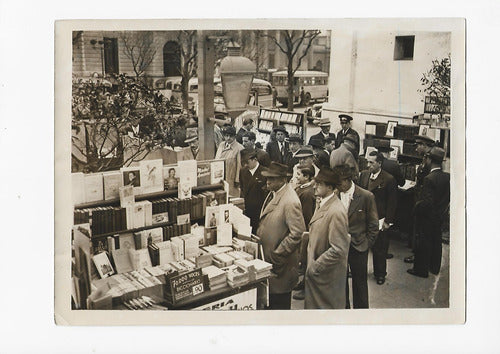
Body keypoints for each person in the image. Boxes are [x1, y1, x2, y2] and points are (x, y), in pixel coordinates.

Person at [257, 162, 306, 309]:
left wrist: (278, 254)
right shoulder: (274, 193)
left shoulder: (290, 201)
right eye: (267, 178)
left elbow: (297, 233)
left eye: (272, 178)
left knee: (279, 305)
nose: (268, 181)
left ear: (283, 180)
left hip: (280, 266)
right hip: (271, 262)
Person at [304, 167, 350, 309]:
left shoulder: (336, 211)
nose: (315, 186)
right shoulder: (323, 203)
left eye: (319, 184)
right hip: (319, 276)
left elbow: (338, 249)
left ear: (330, 187)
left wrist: (315, 268)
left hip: (325, 276)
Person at [334, 164, 378, 309]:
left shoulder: (366, 196)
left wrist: (366, 244)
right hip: (339, 246)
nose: (337, 186)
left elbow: (373, 224)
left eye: (339, 183)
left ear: (348, 180)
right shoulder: (335, 195)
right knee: (340, 282)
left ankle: (361, 315)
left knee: (360, 283)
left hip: (359, 246)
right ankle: (344, 310)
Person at [407, 147, 450, 278]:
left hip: (426, 217)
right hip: (439, 216)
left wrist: (416, 209)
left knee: (423, 242)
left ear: (430, 160)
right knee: (436, 240)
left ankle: (420, 270)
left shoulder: (429, 178)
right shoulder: (447, 177)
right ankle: (434, 267)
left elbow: (426, 202)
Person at [359, 152, 398, 285]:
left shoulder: (389, 179)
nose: (368, 165)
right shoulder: (363, 175)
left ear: (379, 163)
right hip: (364, 216)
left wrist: (388, 221)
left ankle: (380, 273)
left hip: (380, 218)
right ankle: (360, 270)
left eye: (371, 162)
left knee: (380, 248)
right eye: (367, 162)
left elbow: (392, 203)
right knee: (361, 245)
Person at [404, 134, 436, 264]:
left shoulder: (430, 160)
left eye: (418, 146)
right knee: (417, 227)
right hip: (419, 196)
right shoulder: (425, 158)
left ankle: (418, 257)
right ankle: (417, 253)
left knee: (420, 229)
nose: (416, 148)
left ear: (424, 146)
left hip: (422, 199)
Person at [292, 165, 316, 301]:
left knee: (306, 260)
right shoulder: (302, 189)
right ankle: (303, 284)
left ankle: (307, 288)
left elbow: (306, 215)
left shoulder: (307, 193)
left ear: (307, 177)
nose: (296, 177)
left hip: (305, 231)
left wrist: (304, 233)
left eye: (299, 175)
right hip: (303, 230)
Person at [239, 150, 268, 233]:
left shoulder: (265, 172)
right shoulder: (243, 171)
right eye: (243, 162)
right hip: (247, 211)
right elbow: (242, 188)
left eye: (247, 162)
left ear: (254, 159)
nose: (245, 165)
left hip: (260, 212)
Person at [215, 125, 244, 197]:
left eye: (231, 136)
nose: (228, 138)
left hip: (231, 177)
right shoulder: (221, 145)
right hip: (219, 177)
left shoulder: (239, 148)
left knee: (231, 197)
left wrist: (237, 180)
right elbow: (216, 159)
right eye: (226, 136)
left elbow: (239, 165)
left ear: (235, 136)